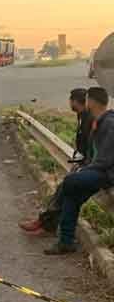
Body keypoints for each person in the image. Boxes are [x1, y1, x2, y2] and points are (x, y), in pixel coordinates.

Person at [44, 86, 114, 255]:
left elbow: (105, 160)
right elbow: (92, 154)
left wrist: (85, 169)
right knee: (72, 195)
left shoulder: (109, 124)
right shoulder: (99, 121)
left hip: (106, 173)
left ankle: (49, 219)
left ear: (91, 102)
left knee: (70, 181)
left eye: (87, 99)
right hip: (97, 170)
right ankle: (66, 242)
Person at [19, 88, 94, 235]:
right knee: (62, 191)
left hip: (89, 166)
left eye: (70, 100)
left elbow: (92, 146)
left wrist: (85, 165)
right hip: (84, 163)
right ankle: (46, 224)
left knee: (64, 191)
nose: (69, 103)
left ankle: (45, 224)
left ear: (75, 101)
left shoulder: (89, 119)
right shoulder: (82, 116)